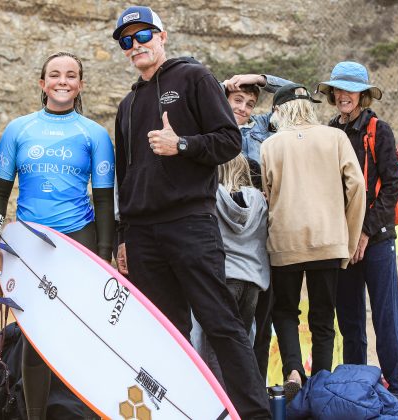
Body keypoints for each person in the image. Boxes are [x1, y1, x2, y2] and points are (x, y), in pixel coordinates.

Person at [111, 6, 270, 418]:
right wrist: (123, 235)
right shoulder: (127, 104)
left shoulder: (194, 77)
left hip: (189, 222)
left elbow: (228, 141)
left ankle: (254, 414)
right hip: (143, 233)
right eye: (126, 40)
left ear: (162, 36)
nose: (135, 46)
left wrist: (181, 144)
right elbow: (125, 174)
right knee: (165, 333)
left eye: (142, 35)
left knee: (221, 324)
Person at [0, 51, 114, 420]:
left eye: (71, 75)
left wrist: (104, 255)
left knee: (79, 331)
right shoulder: (19, 129)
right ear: (42, 83)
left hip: (80, 242)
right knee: (34, 336)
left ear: (80, 85)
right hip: (28, 246)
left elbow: (105, 199)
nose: (62, 81)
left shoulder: (94, 133)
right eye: (54, 75)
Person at [260, 83, 365, 398]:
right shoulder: (336, 138)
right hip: (327, 239)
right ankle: (320, 384)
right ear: (310, 107)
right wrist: (347, 236)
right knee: (323, 314)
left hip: (284, 241)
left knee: (285, 310)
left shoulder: (270, 145)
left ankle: (293, 368)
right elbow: (357, 185)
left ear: (280, 111)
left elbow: (267, 194)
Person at [316, 61, 398, 395]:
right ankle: (358, 390)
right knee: (350, 321)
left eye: (350, 90)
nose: (343, 96)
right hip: (342, 241)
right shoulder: (329, 132)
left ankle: (397, 391)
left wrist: (365, 232)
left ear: (362, 95)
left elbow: (391, 187)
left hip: (378, 239)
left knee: (386, 320)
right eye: (338, 89)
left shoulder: (379, 130)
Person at [222, 73, 292, 382]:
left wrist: (260, 78)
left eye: (250, 104)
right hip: (221, 225)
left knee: (260, 320)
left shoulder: (260, 128)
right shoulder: (210, 125)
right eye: (238, 100)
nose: (244, 109)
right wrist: (224, 86)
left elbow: (293, 94)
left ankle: (256, 390)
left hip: (259, 227)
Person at [191, 154, 270, 388]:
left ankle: (220, 403)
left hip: (223, 280)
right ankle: (243, 402)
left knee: (213, 348)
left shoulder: (209, 199)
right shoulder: (259, 200)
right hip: (252, 284)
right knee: (242, 348)